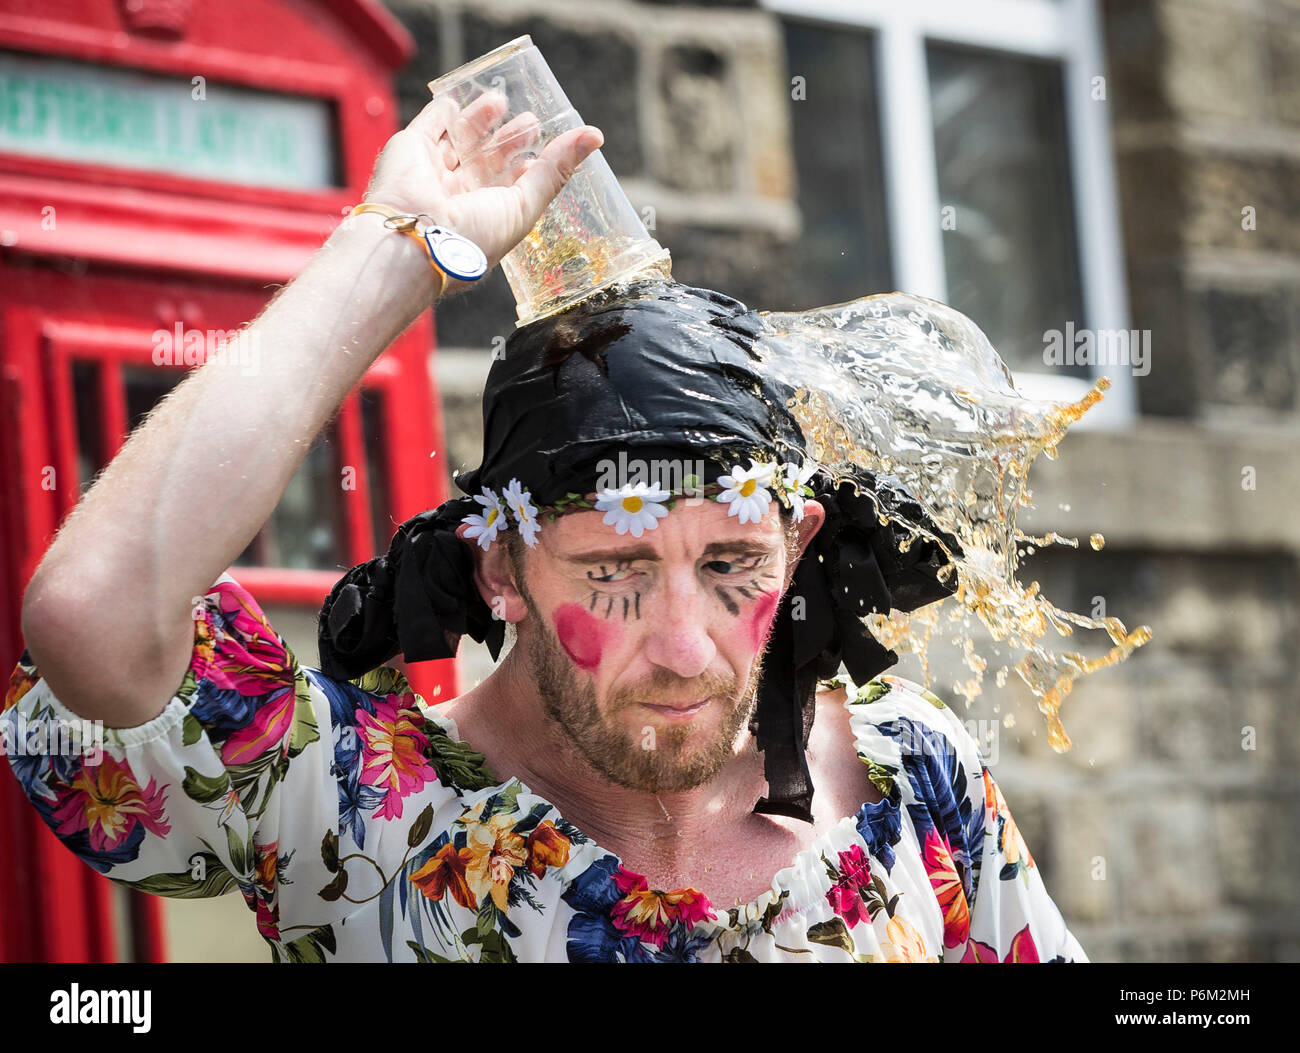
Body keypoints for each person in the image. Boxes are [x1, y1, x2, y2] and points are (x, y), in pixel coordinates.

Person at [3, 95, 1088, 963]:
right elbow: (90, 615)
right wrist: (398, 253)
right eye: (615, 569)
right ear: (501, 563)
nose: (684, 646)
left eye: (731, 565)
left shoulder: (913, 772)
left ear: (798, 543)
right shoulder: (346, 805)